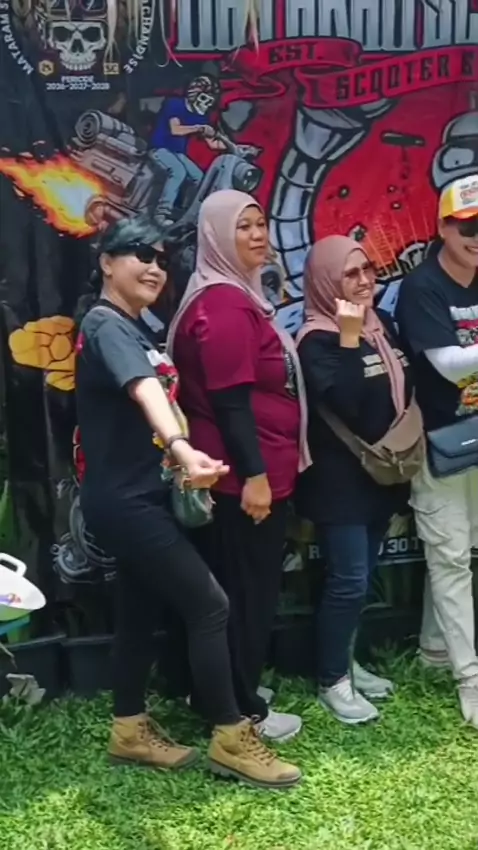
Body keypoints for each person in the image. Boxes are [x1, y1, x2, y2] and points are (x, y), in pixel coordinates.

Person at [75, 215, 301, 789]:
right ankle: (231, 736)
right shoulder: (105, 325)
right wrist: (180, 446)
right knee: (209, 606)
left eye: (161, 259)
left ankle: (129, 729)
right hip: (127, 503)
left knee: (139, 612)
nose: (154, 267)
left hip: (143, 496)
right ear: (106, 263)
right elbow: (143, 388)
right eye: (139, 254)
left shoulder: (135, 326)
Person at [168, 190, 310, 742]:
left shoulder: (235, 295)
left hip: (245, 474)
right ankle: (241, 709)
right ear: (215, 237)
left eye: (260, 223)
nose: (257, 234)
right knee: (246, 595)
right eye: (242, 226)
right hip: (240, 481)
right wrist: (254, 477)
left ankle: (220, 690)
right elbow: (230, 403)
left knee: (236, 589)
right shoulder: (223, 304)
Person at [296, 236, 413, 724]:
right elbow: (349, 404)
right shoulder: (316, 339)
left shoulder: (379, 324)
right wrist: (348, 338)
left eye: (368, 269)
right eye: (350, 274)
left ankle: (346, 663)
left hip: (379, 476)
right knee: (347, 581)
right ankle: (332, 681)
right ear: (326, 281)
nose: (364, 281)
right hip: (339, 483)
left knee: (361, 580)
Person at [395, 174, 478, 728]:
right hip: (440, 442)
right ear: (443, 227)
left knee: (459, 552)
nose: (476, 238)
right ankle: (471, 680)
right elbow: (447, 365)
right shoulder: (423, 286)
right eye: (467, 226)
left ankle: (434, 649)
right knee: (450, 555)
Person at [149, 76, 225, 224]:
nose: (206, 103)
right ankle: (161, 214)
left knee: (199, 178)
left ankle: (187, 212)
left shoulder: (201, 116)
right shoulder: (174, 104)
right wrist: (199, 128)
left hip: (178, 153)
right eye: (204, 97)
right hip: (159, 148)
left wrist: (236, 147)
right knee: (178, 172)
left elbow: (212, 143)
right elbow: (176, 129)